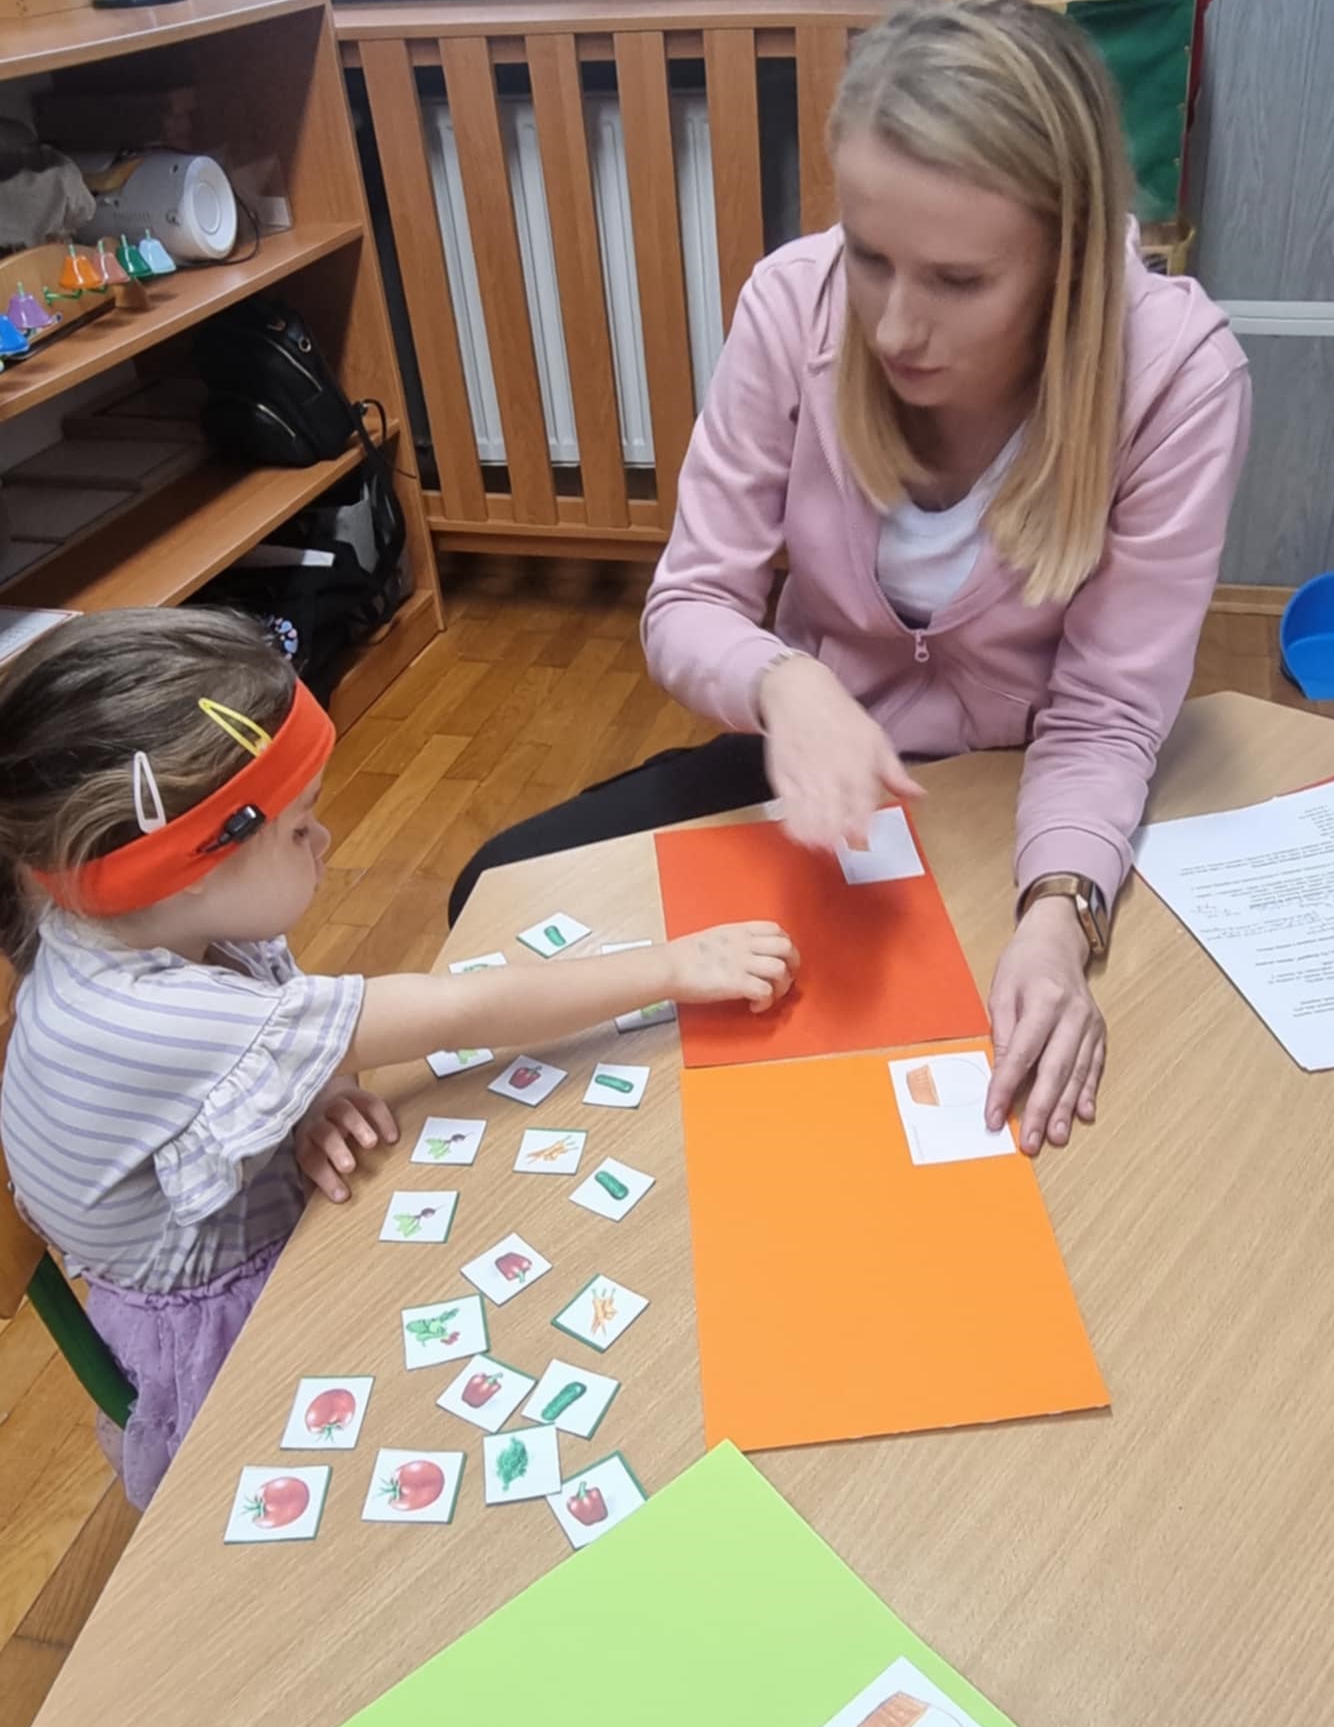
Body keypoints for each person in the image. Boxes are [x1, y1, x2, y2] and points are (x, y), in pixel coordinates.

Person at [452, 0, 1251, 1155]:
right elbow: (689, 603)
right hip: (819, 773)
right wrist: (787, 684)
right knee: (498, 885)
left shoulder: (1178, 378)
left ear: (1067, 258)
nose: (895, 329)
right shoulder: (793, 304)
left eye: (959, 280)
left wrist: (1057, 918)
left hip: (1025, 794)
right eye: (870, 258)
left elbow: (1105, 717)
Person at [0, 610, 796, 1508]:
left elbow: (264, 1047)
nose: (326, 841)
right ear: (180, 869)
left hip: (254, 1222)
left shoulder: (125, 923)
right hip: (225, 1329)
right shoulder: (146, 1015)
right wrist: (674, 966)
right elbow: (453, 1010)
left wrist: (313, 1093)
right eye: (300, 828)